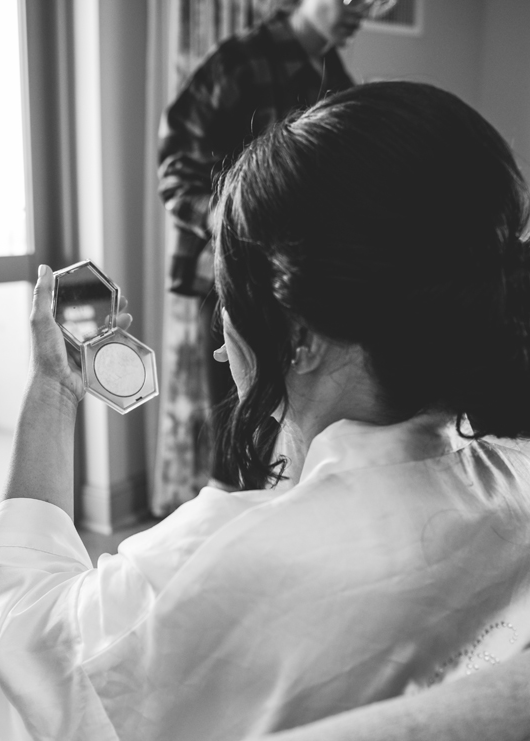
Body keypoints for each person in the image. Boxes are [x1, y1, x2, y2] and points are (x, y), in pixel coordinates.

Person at [0, 81, 530, 741]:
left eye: (231, 299)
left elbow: (25, 647)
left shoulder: (231, 557)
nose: (224, 341)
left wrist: (55, 388)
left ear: (301, 335)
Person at [158, 0, 375, 484]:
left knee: (294, 430)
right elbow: (176, 171)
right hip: (230, 276)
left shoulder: (337, 79)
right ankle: (220, 536)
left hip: (300, 283)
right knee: (235, 434)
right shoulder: (237, 62)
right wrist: (237, 220)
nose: (362, 9)